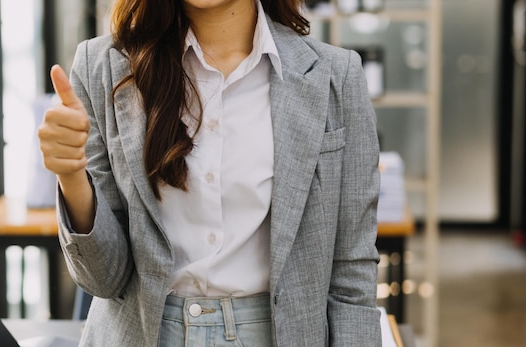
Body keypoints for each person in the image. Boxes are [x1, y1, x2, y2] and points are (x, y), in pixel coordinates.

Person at [38, 0, 382, 345]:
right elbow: (104, 280)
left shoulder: (336, 75)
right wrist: (71, 176)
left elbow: (351, 273)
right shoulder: (102, 67)